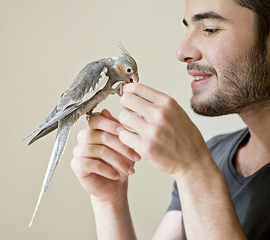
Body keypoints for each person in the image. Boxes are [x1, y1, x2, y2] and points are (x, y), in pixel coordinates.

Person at [70, 0, 270, 239]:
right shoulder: (214, 154)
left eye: (210, 29)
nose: (182, 51)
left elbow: (195, 168)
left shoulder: (199, 164)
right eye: (187, 29)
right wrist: (109, 201)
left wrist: (194, 169)